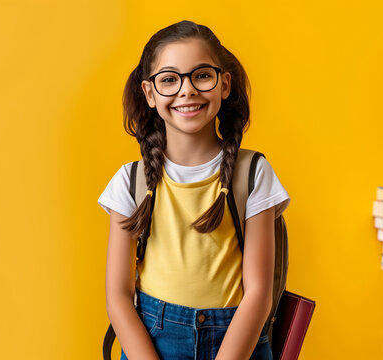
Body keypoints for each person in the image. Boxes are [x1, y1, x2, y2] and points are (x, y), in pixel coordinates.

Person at [98, 20, 290, 360]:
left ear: (224, 84)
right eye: (169, 79)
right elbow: (118, 296)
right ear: (150, 94)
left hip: (237, 346)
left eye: (201, 75)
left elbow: (258, 293)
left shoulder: (254, 174)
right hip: (153, 344)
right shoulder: (129, 182)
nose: (187, 90)